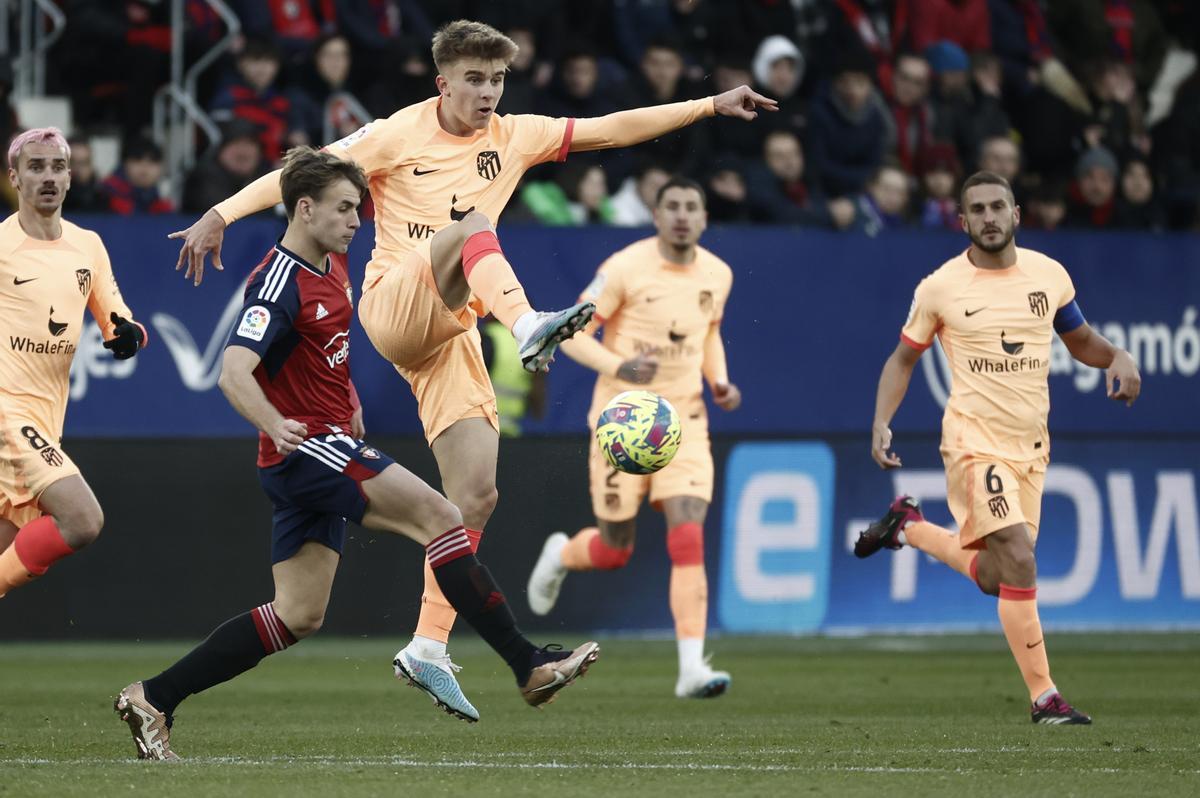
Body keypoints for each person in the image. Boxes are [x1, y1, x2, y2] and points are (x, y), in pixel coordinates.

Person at [168, 19, 774, 721]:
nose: (488, 94)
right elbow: (298, 174)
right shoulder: (398, 133)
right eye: (475, 80)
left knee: (474, 496)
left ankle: (426, 646)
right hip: (395, 304)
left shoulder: (514, 135)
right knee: (473, 228)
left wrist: (707, 103)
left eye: (497, 80)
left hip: (450, 331)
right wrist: (221, 211)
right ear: (443, 82)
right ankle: (527, 327)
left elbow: (613, 126)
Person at [114, 149, 599, 760]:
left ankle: (153, 695)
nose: (355, 220)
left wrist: (347, 398)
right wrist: (276, 422)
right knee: (445, 520)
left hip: (316, 445)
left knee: (297, 615)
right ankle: (528, 664)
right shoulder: (277, 279)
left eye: (358, 208)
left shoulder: (333, 260)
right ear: (305, 208)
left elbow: (326, 349)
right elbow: (234, 373)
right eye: (344, 209)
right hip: (307, 446)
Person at [856, 170, 1141, 725]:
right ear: (962, 222)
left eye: (997, 207)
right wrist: (881, 421)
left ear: (1016, 214)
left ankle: (908, 527)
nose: (988, 217)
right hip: (973, 441)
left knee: (998, 575)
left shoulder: (1049, 276)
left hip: (1031, 446)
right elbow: (903, 359)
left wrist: (1120, 357)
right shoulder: (940, 287)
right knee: (1019, 554)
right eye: (977, 210)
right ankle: (1045, 698)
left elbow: (1080, 340)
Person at [526, 177, 740, 699]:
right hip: (623, 423)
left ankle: (692, 667)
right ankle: (562, 554)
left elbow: (707, 332)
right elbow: (567, 333)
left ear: (705, 218)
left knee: (686, 532)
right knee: (614, 548)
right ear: (657, 214)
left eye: (693, 206)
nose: (683, 215)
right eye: (673, 207)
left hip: (684, 421)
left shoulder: (719, 272)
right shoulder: (623, 268)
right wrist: (621, 364)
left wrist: (719, 380)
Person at [0, 128, 149, 598]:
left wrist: (130, 336)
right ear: (15, 178)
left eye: (57, 167)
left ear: (69, 178)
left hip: (45, 418)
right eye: (36, 166)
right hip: (8, 414)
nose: (48, 176)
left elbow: (120, 322)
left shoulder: (88, 245)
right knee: (82, 519)